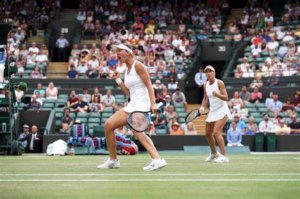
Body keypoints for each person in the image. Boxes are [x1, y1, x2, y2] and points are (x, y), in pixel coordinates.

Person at [97, 43, 167, 171]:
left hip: (142, 104)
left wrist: (153, 103)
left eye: (120, 51)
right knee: (108, 125)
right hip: (132, 104)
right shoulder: (125, 71)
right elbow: (129, 93)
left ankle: (157, 160)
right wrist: (118, 80)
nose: (117, 54)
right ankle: (113, 160)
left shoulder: (138, 65)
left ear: (129, 53)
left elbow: (149, 85)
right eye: (116, 51)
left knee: (137, 131)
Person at [199, 65, 231, 163]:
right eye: (206, 72)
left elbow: (226, 97)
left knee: (216, 132)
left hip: (222, 109)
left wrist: (217, 95)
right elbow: (205, 98)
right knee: (207, 133)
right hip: (213, 110)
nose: (208, 73)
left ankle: (224, 156)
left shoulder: (219, 83)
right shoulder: (205, 85)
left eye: (210, 71)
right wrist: (202, 107)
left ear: (214, 73)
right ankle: (214, 153)